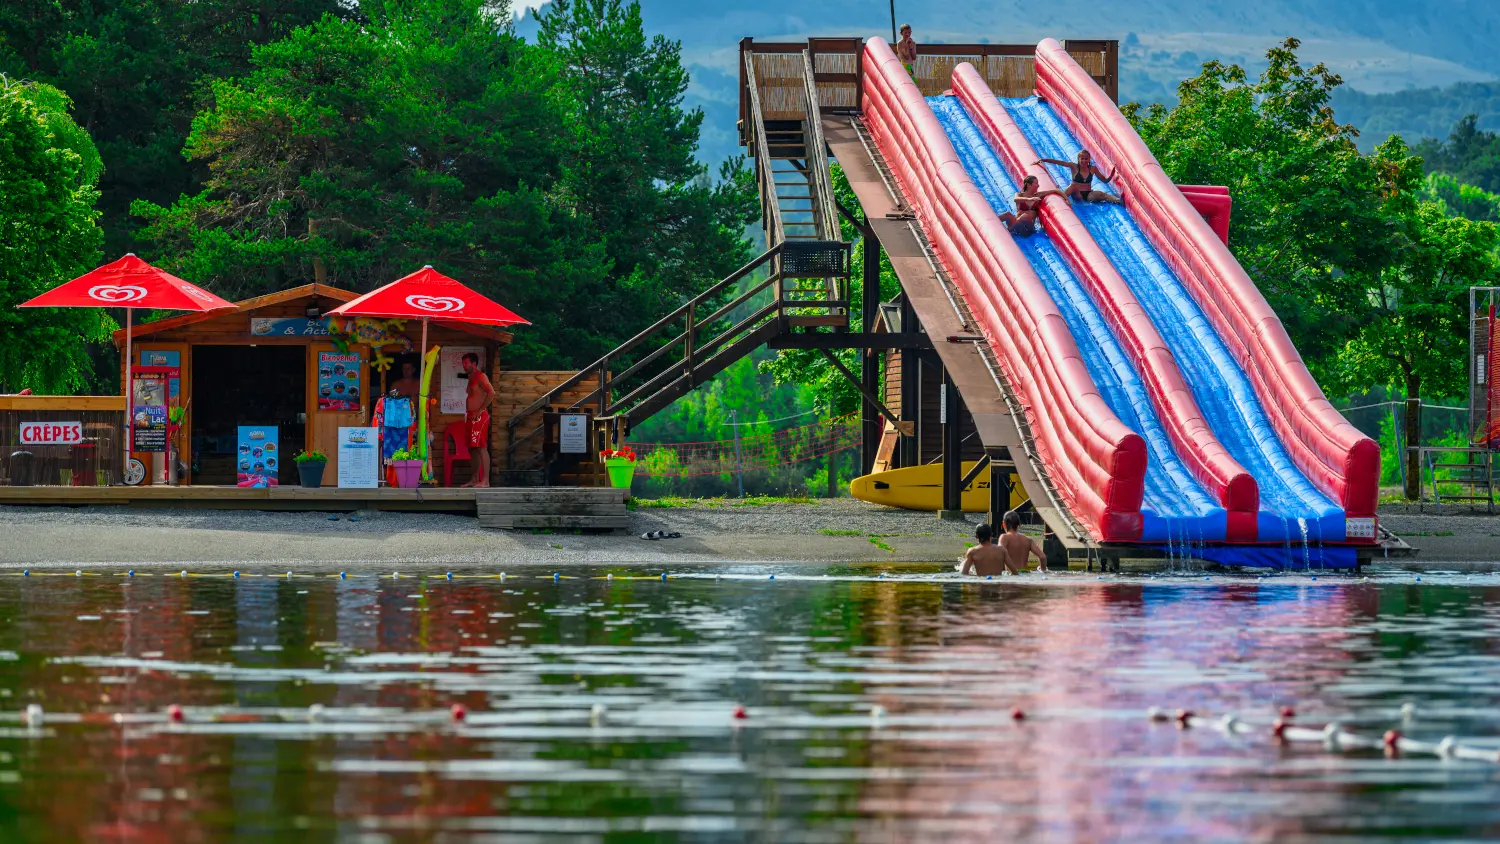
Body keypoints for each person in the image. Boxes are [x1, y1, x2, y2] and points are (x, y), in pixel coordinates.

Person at [459, 352, 495, 488]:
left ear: (474, 363)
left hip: (479, 416)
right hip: (470, 416)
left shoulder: (481, 376)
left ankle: (485, 481)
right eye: (463, 363)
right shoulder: (471, 377)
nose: (464, 365)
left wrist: (480, 410)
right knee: (472, 449)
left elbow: (491, 393)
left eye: (466, 363)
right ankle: (474, 479)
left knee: (481, 447)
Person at [1034, 150, 1122, 204]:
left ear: (1089, 159)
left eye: (1086, 158)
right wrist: (1043, 160)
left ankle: (1119, 201)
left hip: (1088, 195)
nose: (1084, 160)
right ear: (1078, 159)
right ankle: (1061, 198)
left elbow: (1105, 181)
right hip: (1076, 195)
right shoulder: (1074, 166)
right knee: (1074, 186)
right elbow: (1058, 162)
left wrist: (1111, 175)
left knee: (1102, 194)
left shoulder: (1093, 169)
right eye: (1082, 158)